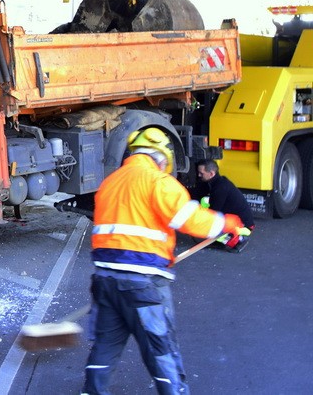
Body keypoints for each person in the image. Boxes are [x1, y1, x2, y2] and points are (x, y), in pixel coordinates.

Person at [82, 127, 248, 395]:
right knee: (160, 347)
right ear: (161, 158)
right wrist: (226, 222)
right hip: (142, 285)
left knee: (106, 345)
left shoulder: (110, 183)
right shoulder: (158, 181)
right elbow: (190, 220)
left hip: (104, 280)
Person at [194, 159, 254, 251]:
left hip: (243, 225)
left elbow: (214, 211)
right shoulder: (217, 183)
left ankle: (235, 239)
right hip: (240, 219)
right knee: (204, 205)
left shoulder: (220, 188)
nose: (199, 175)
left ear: (211, 174)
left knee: (211, 217)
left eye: (201, 173)